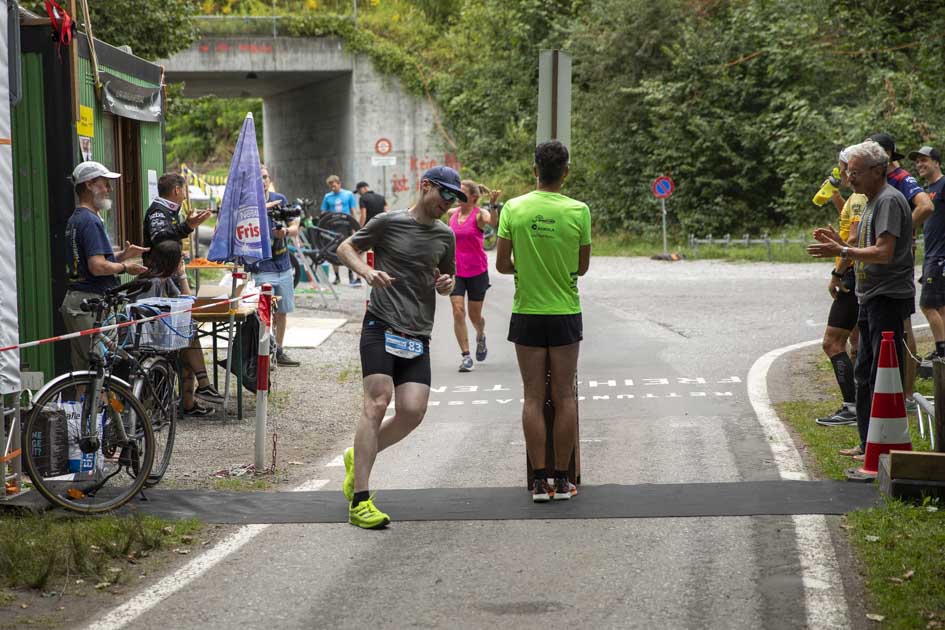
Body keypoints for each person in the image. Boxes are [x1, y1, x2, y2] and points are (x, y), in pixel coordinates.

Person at [335, 166, 460, 529]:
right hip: (381, 323)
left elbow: (446, 278)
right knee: (377, 402)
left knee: (412, 412)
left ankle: (354, 455)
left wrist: (446, 284)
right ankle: (361, 500)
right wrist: (367, 272)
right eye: (445, 196)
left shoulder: (445, 235)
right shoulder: (387, 222)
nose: (448, 204)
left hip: (417, 333)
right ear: (425, 187)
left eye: (454, 200)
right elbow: (346, 248)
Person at [808, 140, 914, 462]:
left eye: (854, 172)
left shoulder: (889, 202)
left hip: (887, 299)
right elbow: (864, 247)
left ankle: (884, 447)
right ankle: (867, 444)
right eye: (848, 171)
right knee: (865, 373)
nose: (848, 178)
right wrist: (839, 243)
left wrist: (841, 252)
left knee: (882, 375)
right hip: (868, 297)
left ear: (877, 171)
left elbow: (883, 253)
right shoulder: (869, 201)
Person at [496, 141, 591, 502]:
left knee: (533, 396)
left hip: (528, 312)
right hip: (565, 311)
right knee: (565, 396)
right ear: (565, 172)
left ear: (534, 170)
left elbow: (502, 265)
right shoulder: (579, 210)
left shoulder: (513, 208)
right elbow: (581, 267)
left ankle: (538, 481)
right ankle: (564, 481)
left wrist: (528, 269)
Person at [61, 161, 148, 370]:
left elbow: (90, 260)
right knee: (99, 371)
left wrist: (121, 255)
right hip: (91, 304)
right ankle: (98, 404)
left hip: (78, 302)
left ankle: (87, 404)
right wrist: (126, 267)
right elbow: (97, 266)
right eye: (105, 184)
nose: (109, 189)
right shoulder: (90, 221)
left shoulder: (78, 218)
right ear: (89, 185)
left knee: (85, 370)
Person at [869, 133, 933, 405]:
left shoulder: (901, 179)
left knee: (903, 326)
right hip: (879, 267)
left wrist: (902, 231)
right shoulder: (877, 182)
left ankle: (906, 393)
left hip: (895, 263)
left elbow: (926, 205)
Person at [135, 240, 222, 416]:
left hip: (158, 333)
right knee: (189, 331)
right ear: (173, 261)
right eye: (180, 259)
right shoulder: (151, 282)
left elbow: (186, 300)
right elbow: (145, 314)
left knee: (188, 335)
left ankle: (191, 401)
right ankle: (203, 384)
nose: (183, 261)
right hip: (145, 337)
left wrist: (181, 276)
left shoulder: (164, 278)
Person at [816, 148, 867, 427]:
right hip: (856, 273)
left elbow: (854, 241)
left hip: (852, 275)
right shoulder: (858, 198)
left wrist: (838, 273)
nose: (841, 174)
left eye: (843, 168)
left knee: (832, 343)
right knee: (857, 343)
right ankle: (860, 402)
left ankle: (851, 406)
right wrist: (834, 195)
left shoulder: (860, 198)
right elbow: (847, 222)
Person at [247, 165, 300, 367]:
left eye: (266, 177)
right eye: (259, 178)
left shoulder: (281, 199)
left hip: (283, 264)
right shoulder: (249, 203)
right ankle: (263, 352)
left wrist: (286, 231)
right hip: (261, 266)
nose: (263, 181)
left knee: (282, 310)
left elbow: (295, 226)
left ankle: (278, 350)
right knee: (263, 312)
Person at [446, 180, 495, 372]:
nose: (458, 197)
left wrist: (491, 206)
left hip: (477, 271)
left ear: (473, 197)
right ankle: (466, 356)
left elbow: (491, 220)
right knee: (458, 310)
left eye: (462, 194)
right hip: (456, 271)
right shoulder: (451, 214)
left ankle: (480, 335)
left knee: (475, 316)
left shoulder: (479, 216)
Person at [142, 172, 212, 293]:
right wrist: (187, 227)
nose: (185, 196)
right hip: (158, 275)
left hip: (168, 273)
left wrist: (178, 250)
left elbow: (169, 238)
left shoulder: (169, 210)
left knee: (185, 304)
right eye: (185, 190)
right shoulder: (158, 210)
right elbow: (160, 238)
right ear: (177, 190)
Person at [909, 146, 945, 358]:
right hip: (932, 252)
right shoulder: (926, 190)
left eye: (925, 160)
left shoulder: (943, 185)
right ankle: (941, 350)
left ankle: (942, 351)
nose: (920, 165)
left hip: (940, 255)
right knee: (940, 306)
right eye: (917, 161)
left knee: (927, 304)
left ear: (937, 163)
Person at [321, 175, 360, 286]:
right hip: (333, 226)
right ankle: (337, 277)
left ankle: (350, 275)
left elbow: (353, 211)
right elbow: (323, 212)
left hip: (346, 224)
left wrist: (355, 227)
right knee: (333, 251)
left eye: (334, 186)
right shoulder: (327, 197)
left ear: (339, 184)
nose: (333, 188)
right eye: (331, 187)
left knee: (349, 249)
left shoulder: (348, 194)